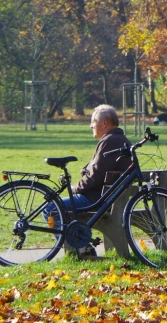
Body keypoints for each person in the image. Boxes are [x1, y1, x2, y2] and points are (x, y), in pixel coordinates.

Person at [45, 104, 131, 258]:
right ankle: (82, 246)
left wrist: (74, 189)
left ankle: (80, 249)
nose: (91, 125)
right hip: (109, 199)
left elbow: (94, 177)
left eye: (93, 121)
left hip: (96, 200)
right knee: (55, 207)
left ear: (104, 123)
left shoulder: (109, 142)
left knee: (50, 208)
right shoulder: (121, 140)